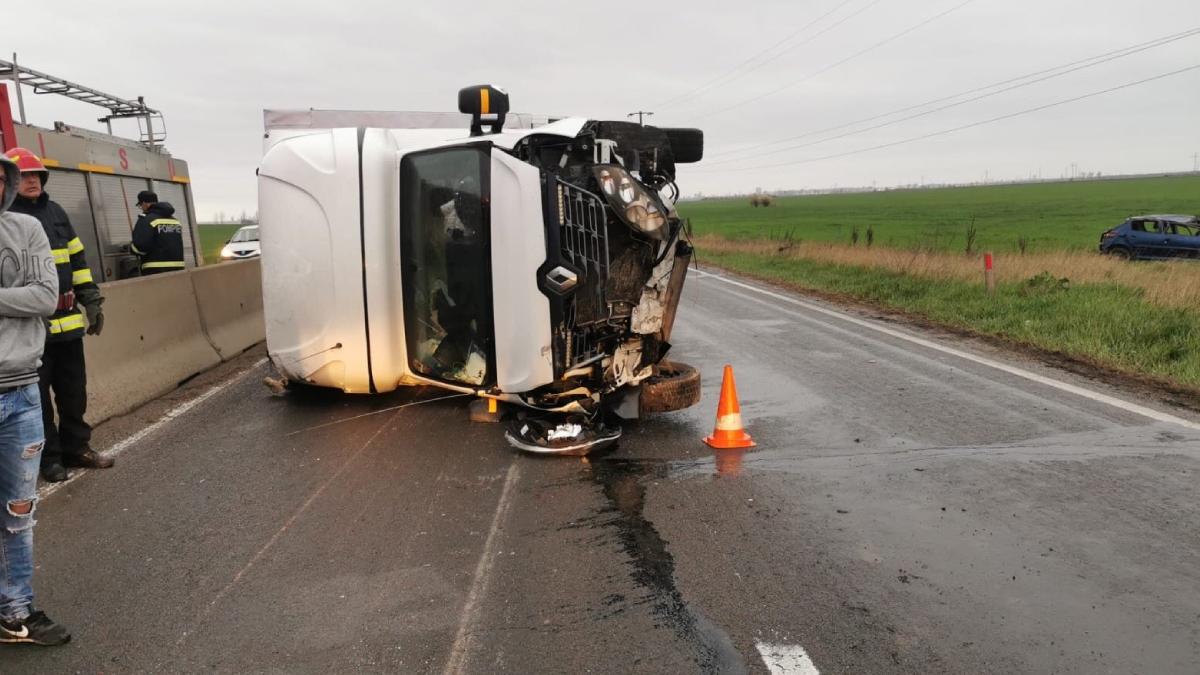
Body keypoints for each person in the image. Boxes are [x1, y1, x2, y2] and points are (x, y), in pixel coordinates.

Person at [5, 148, 112, 482]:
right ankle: (49, 459)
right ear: (12, 182)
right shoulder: (11, 222)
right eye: (24, 176)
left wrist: (90, 298)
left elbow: (77, 261)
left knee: (73, 393)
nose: (32, 180)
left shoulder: (56, 212)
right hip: (32, 329)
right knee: (38, 401)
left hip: (67, 325)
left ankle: (77, 449)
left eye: (37, 174)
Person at [0, 152, 72, 646]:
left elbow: (45, 297)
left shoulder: (26, 229)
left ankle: (15, 612)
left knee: (18, 512)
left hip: (21, 391)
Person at [131, 190, 185, 275]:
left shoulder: (147, 219)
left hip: (155, 269)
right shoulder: (174, 220)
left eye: (140, 205)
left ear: (144, 203)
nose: (141, 208)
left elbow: (140, 246)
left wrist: (132, 248)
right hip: (178, 267)